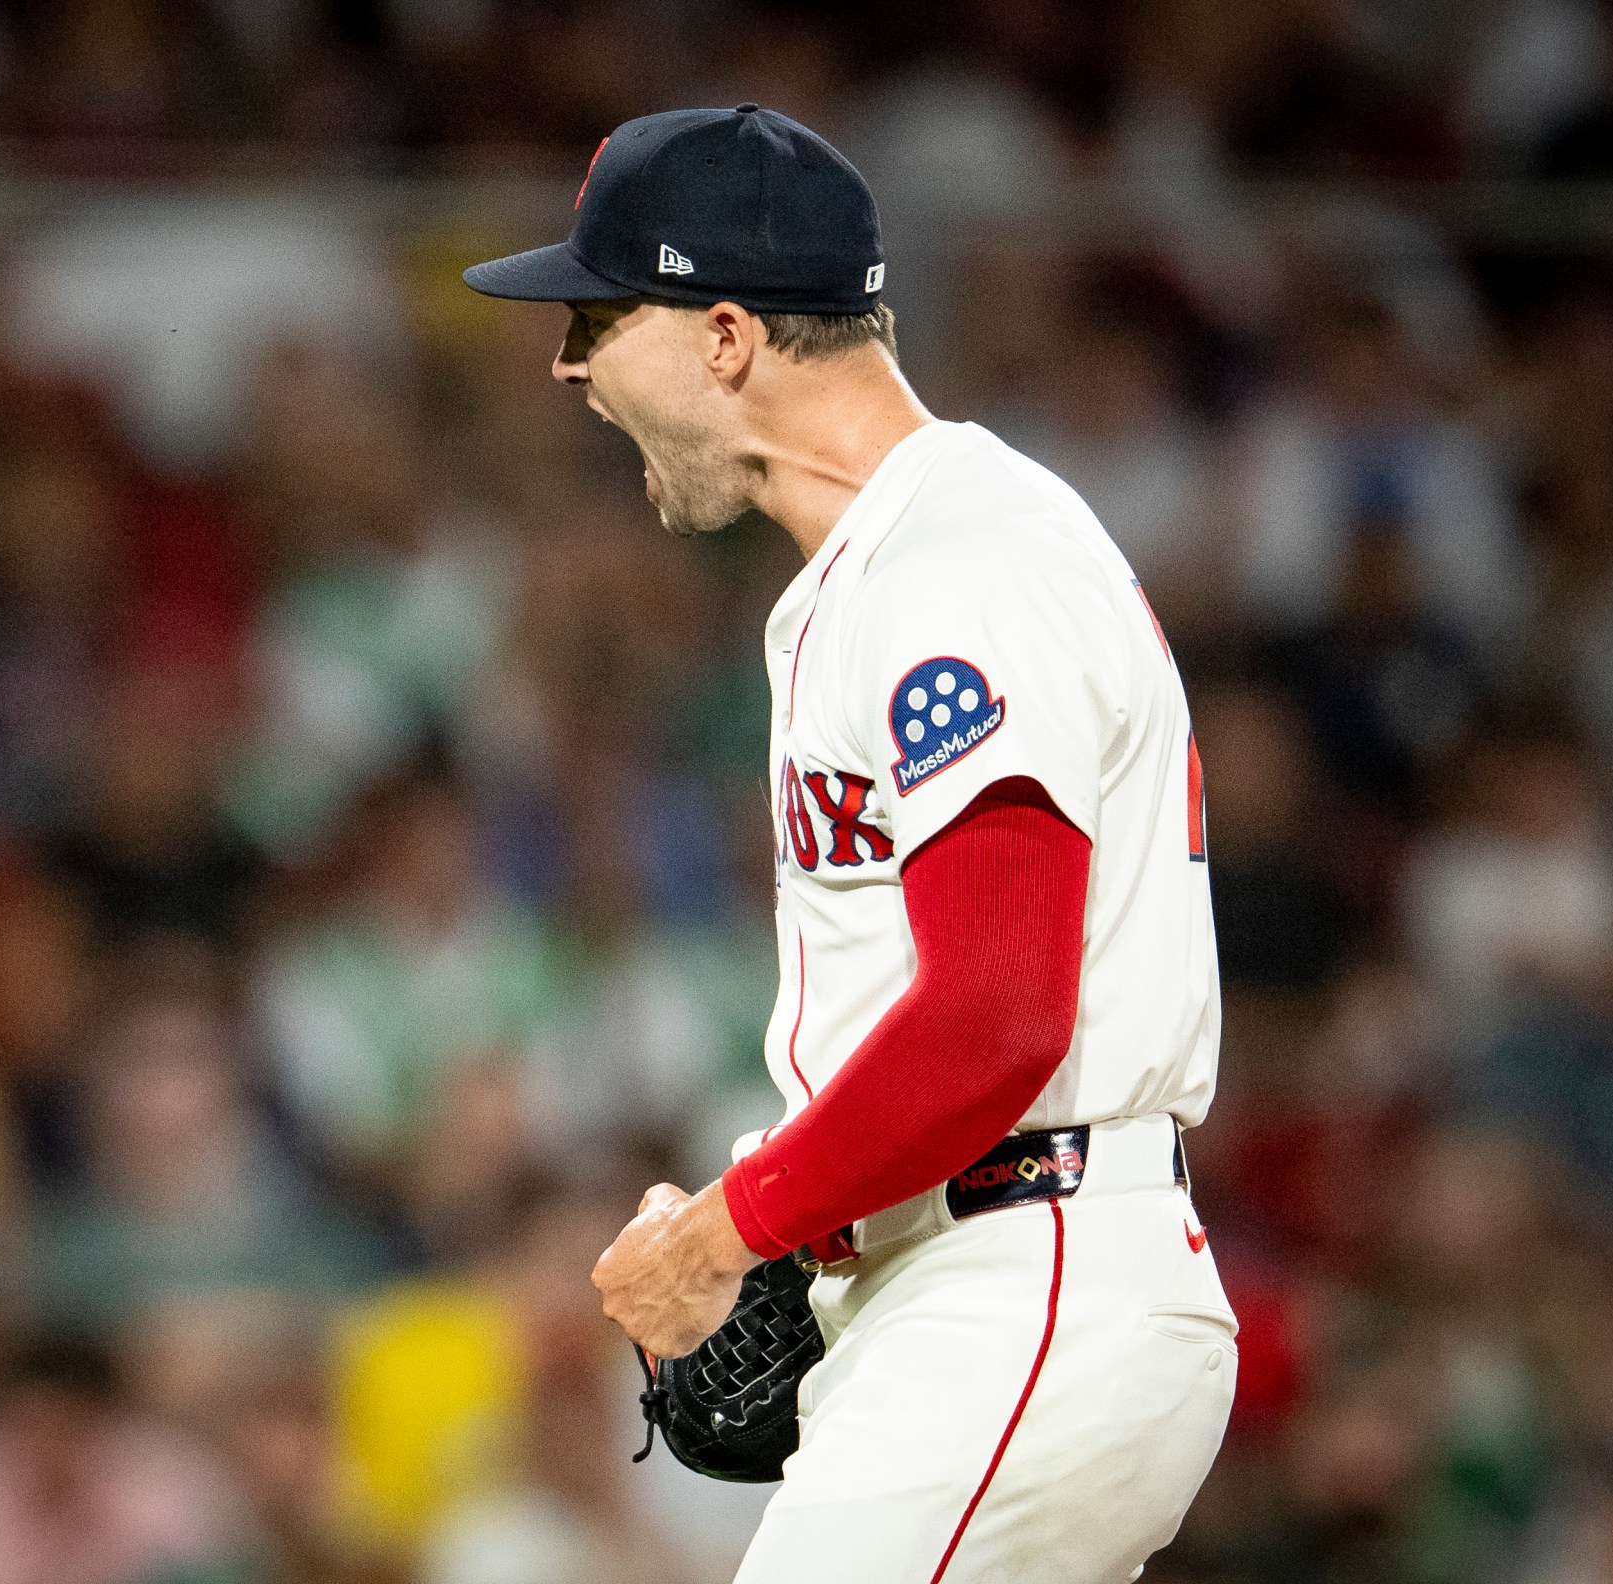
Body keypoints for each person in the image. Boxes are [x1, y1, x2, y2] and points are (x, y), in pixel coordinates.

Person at [464, 105, 1235, 1582]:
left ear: (727, 334)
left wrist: (729, 1231)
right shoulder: (896, 567)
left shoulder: (960, 570)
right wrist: (805, 1224)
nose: (565, 367)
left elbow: (999, 1010)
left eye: (597, 316)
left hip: (1031, 1273)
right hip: (984, 1273)